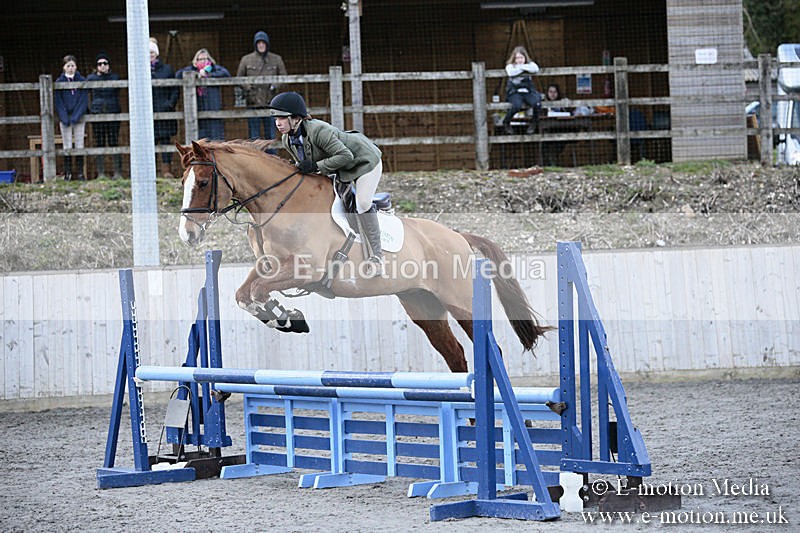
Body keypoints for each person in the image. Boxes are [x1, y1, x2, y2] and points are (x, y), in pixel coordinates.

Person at [267, 91, 385, 277]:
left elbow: (346, 156)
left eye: (282, 118)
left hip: (364, 161)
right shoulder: (287, 140)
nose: (277, 123)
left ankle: (377, 258)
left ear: (296, 118)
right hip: (341, 169)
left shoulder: (319, 131)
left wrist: (315, 166)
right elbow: (305, 166)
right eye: (276, 119)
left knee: (362, 203)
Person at [236, 31, 287, 152]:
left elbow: (284, 77)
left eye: (263, 43)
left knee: (271, 134)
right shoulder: (246, 59)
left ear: (267, 44)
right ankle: (256, 158)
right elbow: (239, 78)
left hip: (271, 102)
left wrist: (275, 86)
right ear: (255, 44)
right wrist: (248, 88)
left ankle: (272, 158)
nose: (261, 45)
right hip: (253, 102)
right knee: (254, 135)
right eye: (258, 43)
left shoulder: (276, 59)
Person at [176, 48, 231, 141]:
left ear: (209, 60)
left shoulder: (214, 68)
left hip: (213, 105)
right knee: (201, 136)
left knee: (216, 135)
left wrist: (208, 75)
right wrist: (196, 75)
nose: (203, 61)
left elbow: (226, 74)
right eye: (200, 59)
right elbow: (178, 74)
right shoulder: (192, 69)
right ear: (196, 60)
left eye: (205, 59)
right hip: (197, 107)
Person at [87, 52, 122, 179]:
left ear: (108, 65)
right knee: (99, 142)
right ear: (96, 66)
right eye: (100, 64)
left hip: (113, 112)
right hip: (97, 113)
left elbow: (117, 92)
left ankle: (117, 172)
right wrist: (90, 109)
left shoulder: (115, 77)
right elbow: (86, 93)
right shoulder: (91, 79)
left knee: (114, 142)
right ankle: (101, 173)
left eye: (105, 63)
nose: (102, 66)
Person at [54, 55, 89, 180]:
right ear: (64, 67)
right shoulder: (59, 82)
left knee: (80, 143)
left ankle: (80, 173)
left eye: (73, 65)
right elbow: (58, 101)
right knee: (67, 144)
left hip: (78, 117)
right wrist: (64, 117)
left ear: (76, 67)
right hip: (65, 119)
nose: (70, 68)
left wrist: (76, 116)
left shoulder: (81, 80)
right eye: (68, 66)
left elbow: (83, 100)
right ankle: (68, 173)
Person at [150, 39, 179, 178]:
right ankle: (152, 171)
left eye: (152, 52)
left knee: (165, 140)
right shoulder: (140, 69)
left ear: (156, 53)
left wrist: (170, 103)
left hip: (164, 110)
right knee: (150, 142)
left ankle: (166, 171)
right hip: (148, 112)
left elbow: (175, 88)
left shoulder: (167, 69)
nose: (150, 55)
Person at [503, 46, 541, 135]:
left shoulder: (530, 64)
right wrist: (523, 68)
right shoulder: (510, 66)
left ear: (525, 57)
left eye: (521, 57)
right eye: (517, 58)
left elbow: (535, 69)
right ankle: (506, 121)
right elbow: (511, 72)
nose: (519, 60)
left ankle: (534, 123)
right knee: (517, 105)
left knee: (537, 103)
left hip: (527, 91)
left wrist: (521, 67)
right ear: (514, 58)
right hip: (514, 92)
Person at [541, 83, 567, 166]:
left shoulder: (563, 104)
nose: (552, 94)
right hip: (546, 130)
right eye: (550, 92)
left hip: (561, 130)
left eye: (555, 92)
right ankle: (549, 163)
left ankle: (553, 162)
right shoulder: (543, 104)